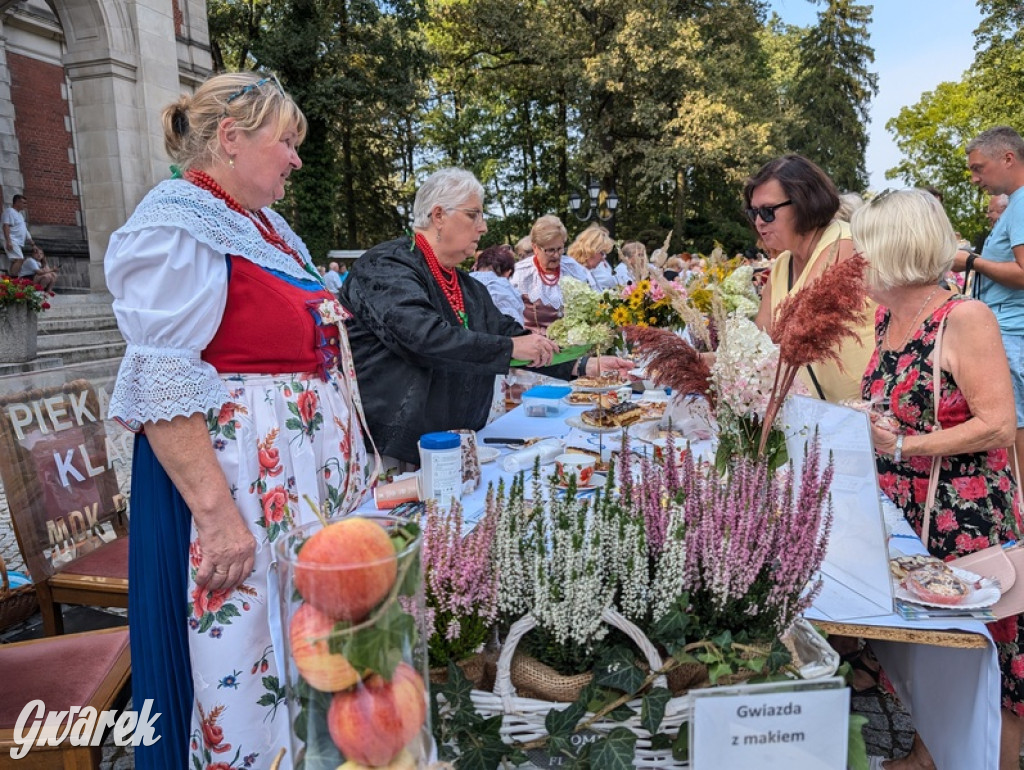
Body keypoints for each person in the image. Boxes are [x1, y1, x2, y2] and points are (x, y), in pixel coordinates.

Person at [104, 72, 373, 770]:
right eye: (286, 142)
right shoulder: (176, 221)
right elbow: (162, 377)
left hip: (289, 482)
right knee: (246, 648)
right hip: (242, 486)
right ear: (230, 139)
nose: (297, 158)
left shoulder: (263, 225)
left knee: (297, 642)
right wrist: (218, 518)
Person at [854, 188, 1024, 770]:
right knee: (926, 654)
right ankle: (928, 753)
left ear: (894, 252)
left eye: (863, 249)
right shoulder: (888, 316)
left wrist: (902, 443)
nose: (856, 261)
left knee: (985, 658)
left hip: (964, 516)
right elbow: (903, 398)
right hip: (905, 511)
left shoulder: (965, 317)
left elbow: (999, 424)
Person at [339, 168, 632, 465]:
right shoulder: (386, 266)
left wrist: (583, 364)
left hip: (458, 443)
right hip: (395, 452)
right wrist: (511, 348)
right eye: (473, 215)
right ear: (438, 215)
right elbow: (421, 336)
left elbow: (511, 335)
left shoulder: (468, 286)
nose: (483, 227)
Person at [747, 154, 874, 403]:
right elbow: (761, 340)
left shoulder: (843, 243)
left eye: (768, 212)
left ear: (804, 203)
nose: (759, 222)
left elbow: (798, 331)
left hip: (859, 414)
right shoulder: (783, 263)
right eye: (753, 213)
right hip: (813, 415)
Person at [955, 126, 1024, 480]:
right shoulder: (1016, 204)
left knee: (1016, 437)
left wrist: (969, 261)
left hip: (1014, 335)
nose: (974, 178)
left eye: (979, 168)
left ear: (1008, 158)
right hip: (1009, 334)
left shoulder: (1022, 202)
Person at [509, 214, 592, 333]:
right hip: (534, 346)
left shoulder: (572, 268)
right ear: (535, 248)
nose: (557, 255)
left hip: (572, 347)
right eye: (550, 250)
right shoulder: (521, 273)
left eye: (560, 249)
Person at [470, 243, 524, 323]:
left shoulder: (462, 280)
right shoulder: (504, 289)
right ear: (508, 272)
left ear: (477, 266)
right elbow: (514, 324)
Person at [567, 222, 617, 290]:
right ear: (590, 250)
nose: (603, 259)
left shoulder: (587, 272)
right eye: (602, 253)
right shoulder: (569, 272)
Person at [2, 194, 39, 275]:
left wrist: (33, 244)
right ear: (17, 202)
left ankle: (9, 281)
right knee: (19, 259)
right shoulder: (9, 211)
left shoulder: (20, 215)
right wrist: (8, 241)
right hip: (12, 240)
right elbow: (6, 226)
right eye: (23, 203)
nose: (25, 205)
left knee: (16, 261)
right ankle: (13, 281)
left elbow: (25, 230)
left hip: (18, 243)